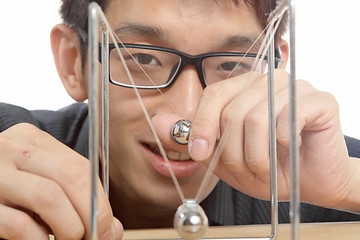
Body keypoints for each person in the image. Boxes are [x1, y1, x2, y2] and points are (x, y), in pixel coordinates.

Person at [1, 0, 360, 239]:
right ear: (71, 61)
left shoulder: (322, 167)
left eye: (232, 65)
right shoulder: (12, 148)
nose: (186, 118)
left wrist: (348, 188)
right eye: (142, 58)